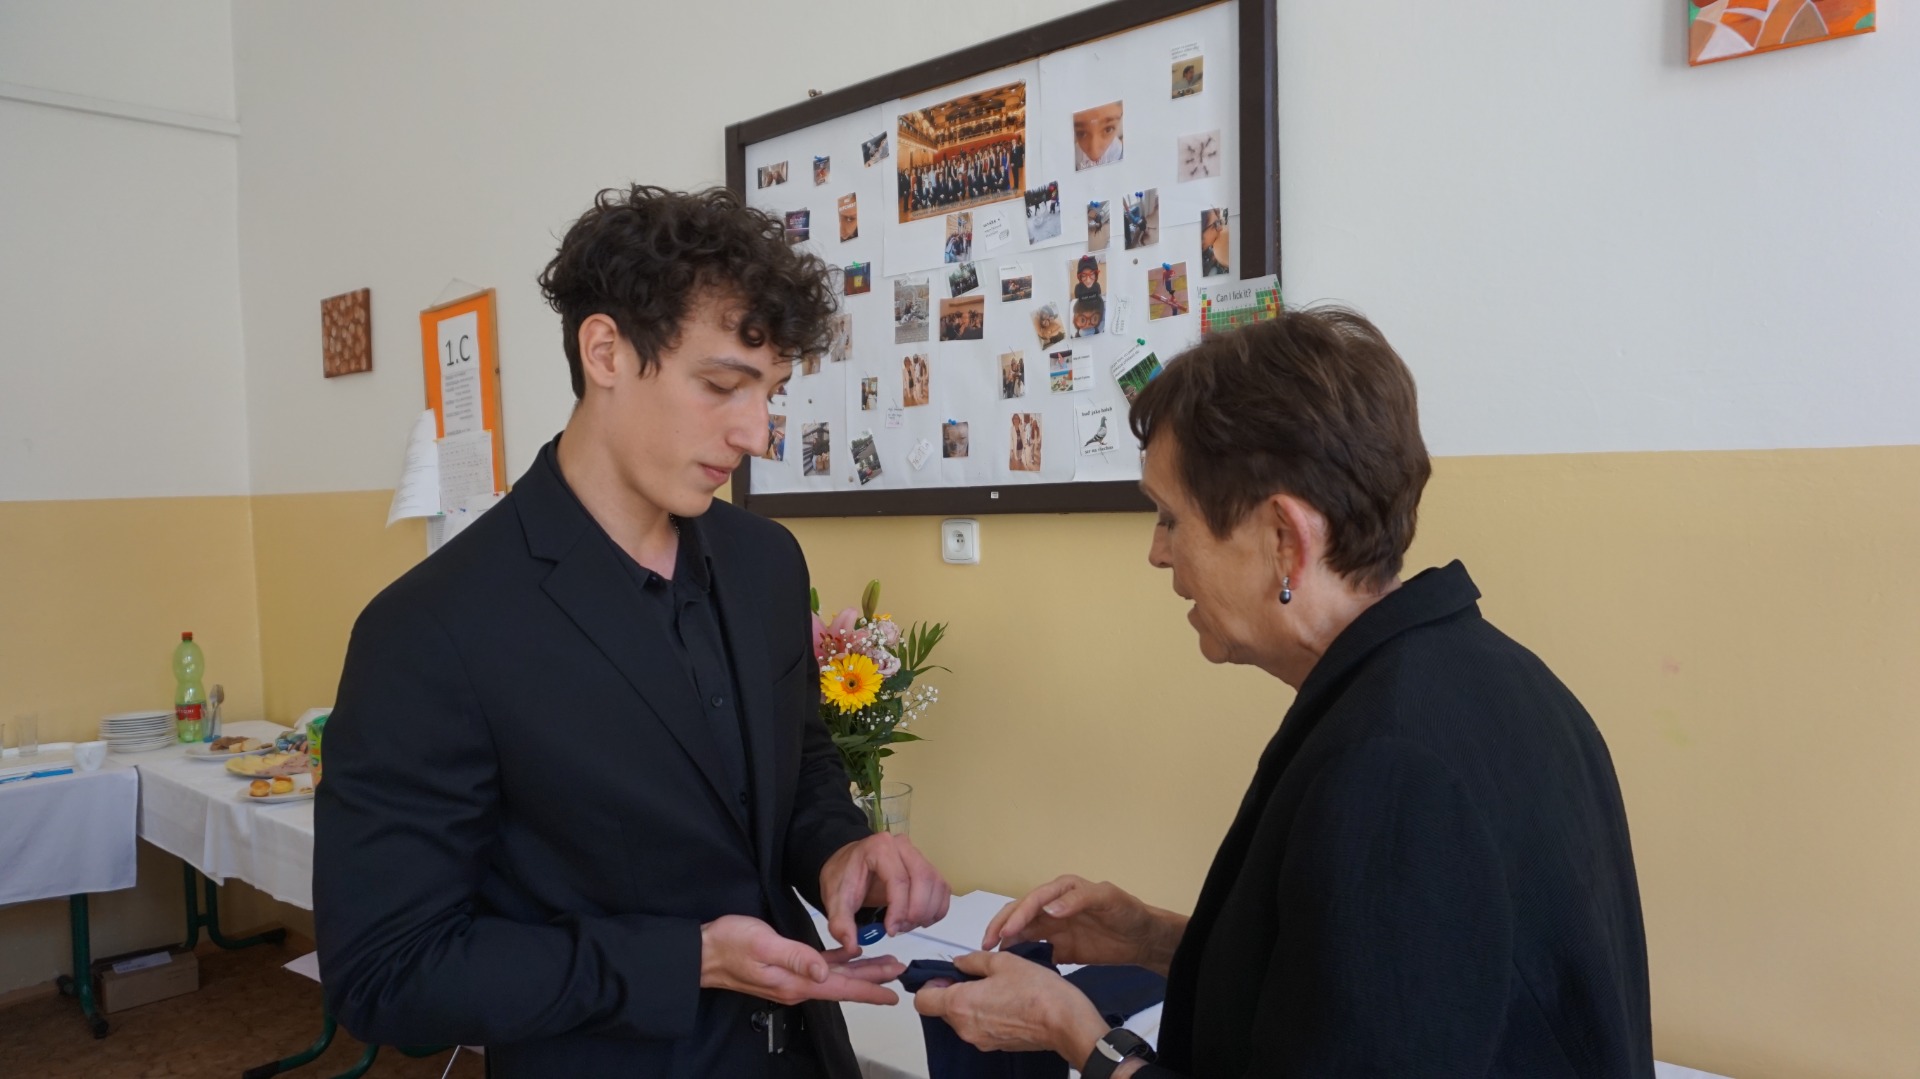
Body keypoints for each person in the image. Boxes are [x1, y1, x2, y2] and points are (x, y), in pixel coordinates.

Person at [314, 185, 953, 1078]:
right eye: (722, 385)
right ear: (605, 351)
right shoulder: (430, 629)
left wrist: (840, 849)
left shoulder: (765, 561)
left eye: (771, 391)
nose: (757, 432)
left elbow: (800, 768)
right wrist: (688, 958)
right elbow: (388, 973)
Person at [913, 307, 1653, 1078]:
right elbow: (1372, 990)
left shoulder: (1389, 771)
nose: (1158, 552)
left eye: (1170, 518)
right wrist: (1155, 940)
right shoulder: (1489, 676)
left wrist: (1076, 1032)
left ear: (1285, 540)